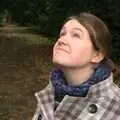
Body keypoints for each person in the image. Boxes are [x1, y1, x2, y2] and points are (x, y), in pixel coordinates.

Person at [32, 12, 120, 120]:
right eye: (62, 34)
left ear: (97, 55)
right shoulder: (50, 92)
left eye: (76, 35)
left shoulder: (116, 108)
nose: (61, 40)